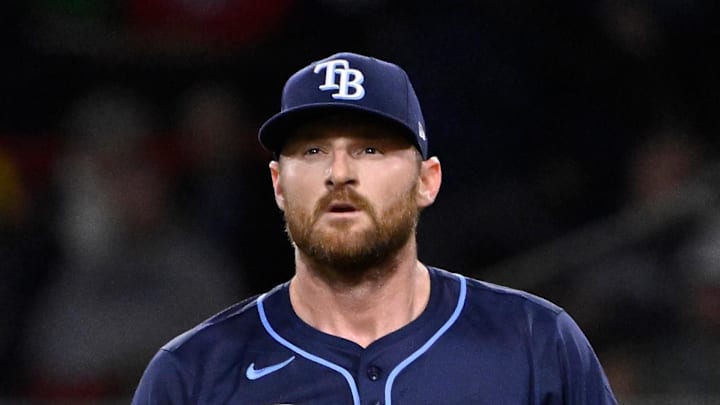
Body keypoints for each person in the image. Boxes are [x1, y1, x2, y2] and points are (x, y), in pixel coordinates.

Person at [131, 51, 618, 404]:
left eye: (370, 148)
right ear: (278, 185)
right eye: (313, 150)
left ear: (427, 181)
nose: (339, 172)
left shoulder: (536, 343)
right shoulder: (194, 374)